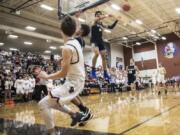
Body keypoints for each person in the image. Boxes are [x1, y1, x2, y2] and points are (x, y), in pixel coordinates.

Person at [37, 16, 90, 134]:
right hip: (76, 80)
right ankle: (74, 114)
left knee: (42, 104)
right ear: (75, 30)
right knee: (53, 100)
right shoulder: (77, 41)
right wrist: (78, 16)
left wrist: (46, 76)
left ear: (60, 30)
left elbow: (63, 73)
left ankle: (52, 132)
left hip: (73, 83)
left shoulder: (67, 48)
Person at [91, 11, 118, 80]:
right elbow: (97, 19)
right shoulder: (94, 22)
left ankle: (105, 73)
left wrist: (116, 20)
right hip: (94, 40)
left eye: (99, 15)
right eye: (97, 15)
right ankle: (93, 70)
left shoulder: (102, 25)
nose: (99, 16)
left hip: (100, 41)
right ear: (96, 16)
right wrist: (107, 15)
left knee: (104, 56)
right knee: (96, 54)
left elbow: (111, 27)